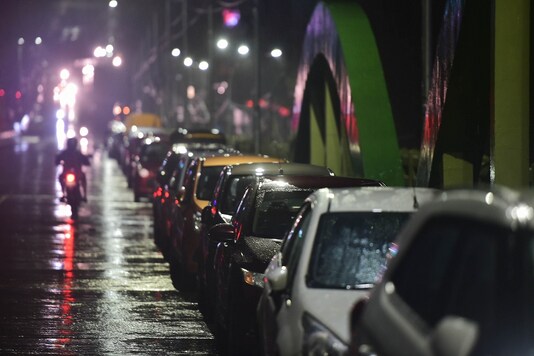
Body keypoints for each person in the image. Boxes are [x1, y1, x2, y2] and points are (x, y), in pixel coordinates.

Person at [55, 137, 90, 202]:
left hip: (77, 174)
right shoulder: (67, 153)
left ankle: (84, 195)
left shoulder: (76, 153)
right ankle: (63, 193)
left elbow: (86, 161)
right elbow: (57, 160)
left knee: (83, 177)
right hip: (67, 174)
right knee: (60, 177)